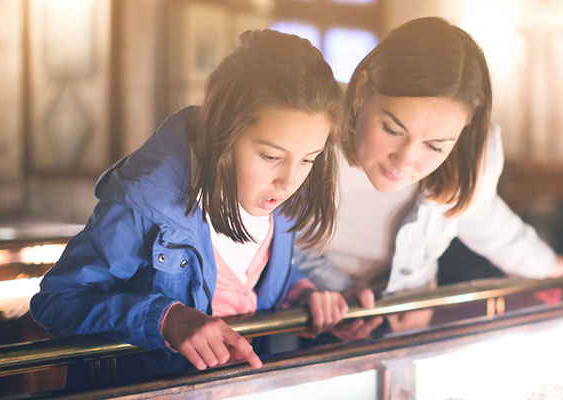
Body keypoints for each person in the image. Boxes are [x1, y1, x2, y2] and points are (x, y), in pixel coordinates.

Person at [29, 29, 348, 384]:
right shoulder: (146, 202)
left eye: (308, 160)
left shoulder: (284, 199)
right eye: (270, 156)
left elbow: (252, 284)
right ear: (221, 131)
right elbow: (57, 302)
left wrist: (303, 294)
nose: (289, 182)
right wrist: (166, 319)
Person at [295, 17, 563, 339]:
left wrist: (549, 267)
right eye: (391, 129)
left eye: (435, 146)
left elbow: (482, 216)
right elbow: (269, 238)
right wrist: (338, 294)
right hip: (309, 313)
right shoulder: (308, 135)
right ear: (361, 91)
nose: (405, 160)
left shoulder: (471, 156)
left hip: (405, 322)